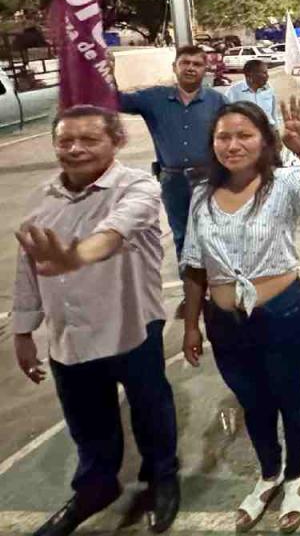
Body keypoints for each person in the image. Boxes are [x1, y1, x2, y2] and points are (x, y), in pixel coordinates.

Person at [13, 105, 179, 536]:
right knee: (87, 420)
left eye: (89, 139)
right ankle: (96, 487)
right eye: (65, 141)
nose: (75, 149)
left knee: (150, 409)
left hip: (131, 325)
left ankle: (161, 478)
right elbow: (27, 265)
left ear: (116, 142)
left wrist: (75, 256)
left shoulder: (137, 187)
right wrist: (23, 330)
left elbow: (116, 231)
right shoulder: (41, 197)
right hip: (68, 333)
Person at [181, 99, 300, 533]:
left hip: (283, 313)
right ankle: (268, 474)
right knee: (252, 401)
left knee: (290, 396)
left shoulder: (284, 182)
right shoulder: (201, 196)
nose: (233, 144)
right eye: (224, 136)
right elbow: (194, 265)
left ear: (265, 141)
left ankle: (297, 475)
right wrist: (192, 324)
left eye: (244, 135)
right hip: (224, 322)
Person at [118, 45, 227, 265]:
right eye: (185, 63)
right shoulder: (153, 98)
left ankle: (218, 289)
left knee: (216, 236)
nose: (190, 68)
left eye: (197, 64)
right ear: (174, 67)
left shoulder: (218, 102)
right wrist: (105, 71)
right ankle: (192, 295)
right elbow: (114, 101)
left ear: (205, 69)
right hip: (173, 181)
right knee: (182, 237)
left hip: (210, 179)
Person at [226, 59, 278, 128]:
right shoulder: (233, 92)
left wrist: (276, 131)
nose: (267, 76)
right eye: (264, 73)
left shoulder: (269, 89)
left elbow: (273, 114)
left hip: (268, 131)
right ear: (250, 74)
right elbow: (227, 116)